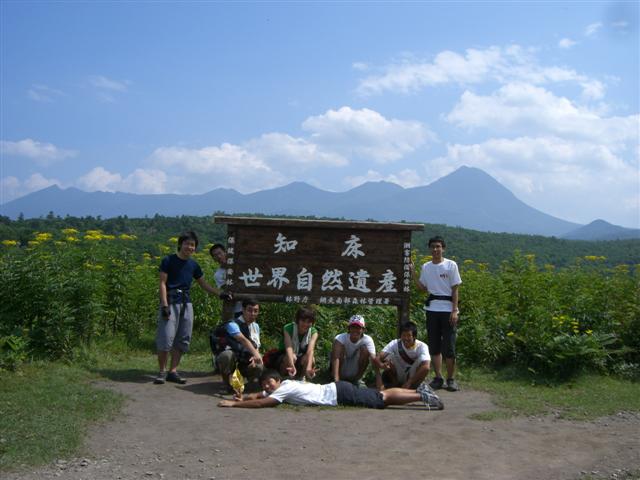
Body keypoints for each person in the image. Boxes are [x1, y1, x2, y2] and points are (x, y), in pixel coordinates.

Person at [155, 231, 224, 385]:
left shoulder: (193, 265)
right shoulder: (168, 260)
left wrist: (220, 294)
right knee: (166, 337)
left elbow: (204, 284)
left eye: (192, 245)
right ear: (180, 244)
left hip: (187, 303)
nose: (189, 247)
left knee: (183, 338)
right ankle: (161, 372)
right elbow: (162, 283)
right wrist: (164, 304)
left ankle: (173, 371)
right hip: (171, 301)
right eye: (187, 244)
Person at [218, 369, 444, 410]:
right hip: (337, 389)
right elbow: (259, 395)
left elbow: (262, 402)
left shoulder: (284, 390)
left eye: (270, 383)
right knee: (380, 395)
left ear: (278, 381)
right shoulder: (284, 386)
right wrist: (241, 397)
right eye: (265, 384)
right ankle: (420, 393)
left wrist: (233, 405)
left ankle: (421, 396)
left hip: (338, 393)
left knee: (381, 398)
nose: (267, 387)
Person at [412, 235, 462, 392]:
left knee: (449, 347)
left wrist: (454, 310)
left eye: (438, 246)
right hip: (432, 309)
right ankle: (438, 377)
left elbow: (455, 289)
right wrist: (412, 273)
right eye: (433, 247)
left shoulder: (450, 265)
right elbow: (422, 288)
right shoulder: (426, 267)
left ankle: (451, 379)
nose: (435, 249)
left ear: (443, 248)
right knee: (434, 346)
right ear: (429, 249)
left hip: (448, 310)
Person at [215, 298, 264, 390]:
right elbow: (243, 340)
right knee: (226, 355)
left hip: (246, 359)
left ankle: (250, 385)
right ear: (243, 310)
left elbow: (256, 345)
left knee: (259, 362)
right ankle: (226, 383)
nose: (252, 313)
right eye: (249, 310)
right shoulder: (232, 324)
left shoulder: (256, 326)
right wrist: (255, 354)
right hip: (232, 360)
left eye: (255, 311)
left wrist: (255, 356)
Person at [377, 322, 430, 390]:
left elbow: (426, 367)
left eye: (409, 335)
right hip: (398, 373)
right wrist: (382, 365)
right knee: (388, 356)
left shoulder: (422, 346)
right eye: (403, 335)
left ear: (414, 336)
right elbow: (379, 357)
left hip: (412, 375)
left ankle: (412, 387)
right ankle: (395, 383)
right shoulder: (395, 343)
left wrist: (409, 382)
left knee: (423, 362)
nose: (406, 338)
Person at [329, 314, 380, 387]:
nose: (355, 330)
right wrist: (336, 381)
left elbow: (373, 358)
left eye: (358, 328)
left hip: (355, 368)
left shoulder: (368, 340)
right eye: (353, 327)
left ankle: (357, 379)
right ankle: (337, 379)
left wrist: (380, 365)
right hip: (341, 367)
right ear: (349, 328)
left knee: (365, 349)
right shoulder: (340, 338)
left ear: (363, 330)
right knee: (340, 348)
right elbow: (335, 358)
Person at [274, 307, 319, 380]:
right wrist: (291, 365)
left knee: (311, 359)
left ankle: (301, 378)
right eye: (303, 321)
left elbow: (310, 351)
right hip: (284, 356)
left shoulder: (314, 332)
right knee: (293, 357)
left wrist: (309, 367)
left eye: (309, 322)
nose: (306, 324)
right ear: (298, 320)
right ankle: (281, 378)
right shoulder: (288, 328)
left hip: (300, 357)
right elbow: (288, 348)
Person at [208, 243, 242, 318]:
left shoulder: (240, 264)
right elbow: (228, 289)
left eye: (220, 253)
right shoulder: (218, 275)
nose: (219, 256)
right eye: (215, 255)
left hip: (250, 306)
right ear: (213, 259)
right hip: (236, 309)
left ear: (225, 252)